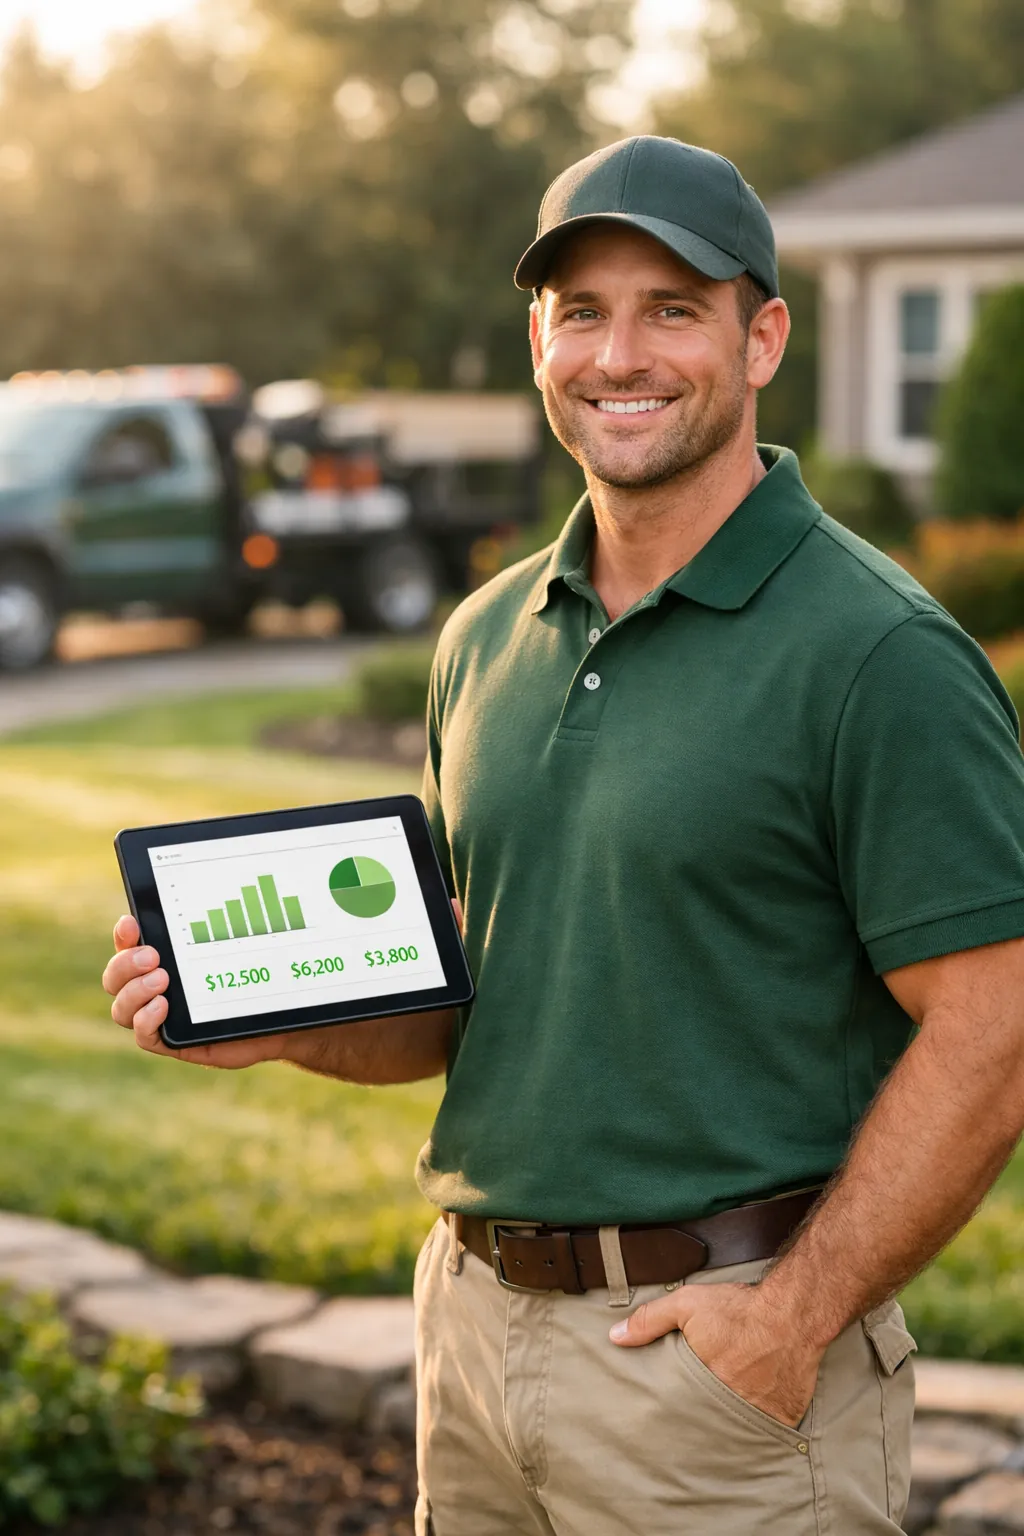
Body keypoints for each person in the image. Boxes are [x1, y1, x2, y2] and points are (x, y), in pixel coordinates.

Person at [104, 136, 1024, 1535]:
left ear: (763, 335)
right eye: (581, 310)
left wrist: (794, 1319)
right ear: (538, 339)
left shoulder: (878, 652)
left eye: (673, 308)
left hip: (716, 1383)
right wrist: (273, 1016)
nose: (620, 353)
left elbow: (994, 1023)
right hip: (475, 1343)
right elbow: (477, 990)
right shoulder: (487, 637)